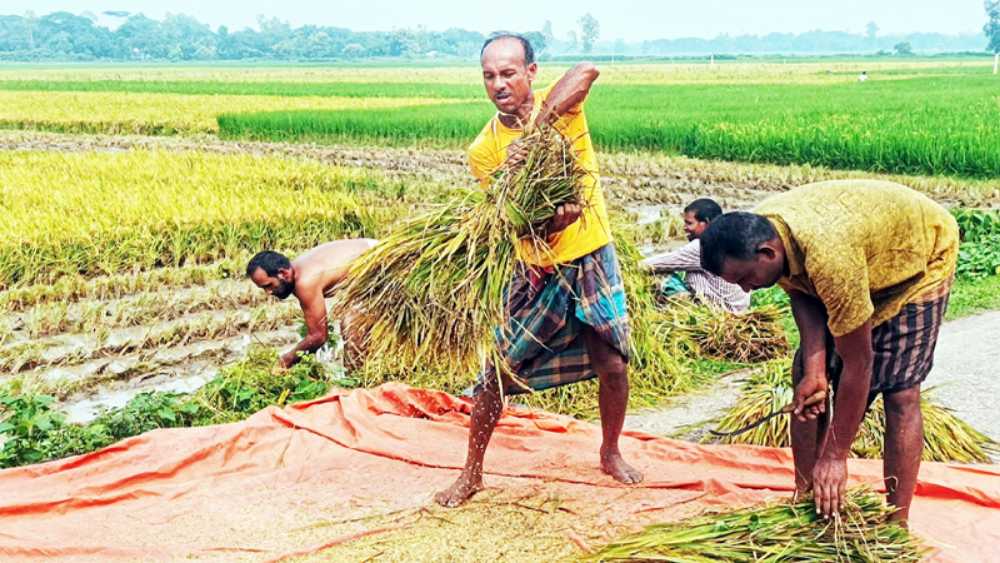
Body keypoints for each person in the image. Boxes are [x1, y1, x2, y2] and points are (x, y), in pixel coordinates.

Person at [435, 33, 641, 508]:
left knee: (612, 362)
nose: (498, 83)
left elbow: (587, 69)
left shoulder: (562, 108)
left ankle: (610, 451)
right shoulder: (484, 150)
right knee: (496, 374)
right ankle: (472, 473)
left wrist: (536, 133)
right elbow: (514, 224)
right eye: (489, 75)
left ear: (531, 72)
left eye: (508, 72)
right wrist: (551, 223)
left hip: (591, 252)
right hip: (535, 267)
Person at [699, 179, 958, 523]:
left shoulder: (829, 257)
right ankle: (808, 496)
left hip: (917, 260)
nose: (746, 288)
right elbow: (800, 291)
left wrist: (837, 455)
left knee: (900, 391)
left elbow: (860, 364)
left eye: (746, 278)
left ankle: (897, 522)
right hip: (858, 253)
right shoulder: (760, 232)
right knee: (806, 378)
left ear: (767, 253)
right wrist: (816, 369)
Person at [246, 239, 378, 370]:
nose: (268, 292)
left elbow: (318, 336)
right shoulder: (295, 269)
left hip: (379, 265)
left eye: (269, 285)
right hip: (371, 256)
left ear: (283, 273)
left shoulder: (305, 282)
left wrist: (285, 361)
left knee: (352, 326)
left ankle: (359, 382)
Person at [641, 198, 750, 312]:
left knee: (661, 276)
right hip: (736, 312)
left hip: (716, 313)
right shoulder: (731, 241)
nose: (684, 227)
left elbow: (648, 265)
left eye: (689, 223)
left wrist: (629, 265)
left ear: (707, 223)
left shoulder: (703, 247)